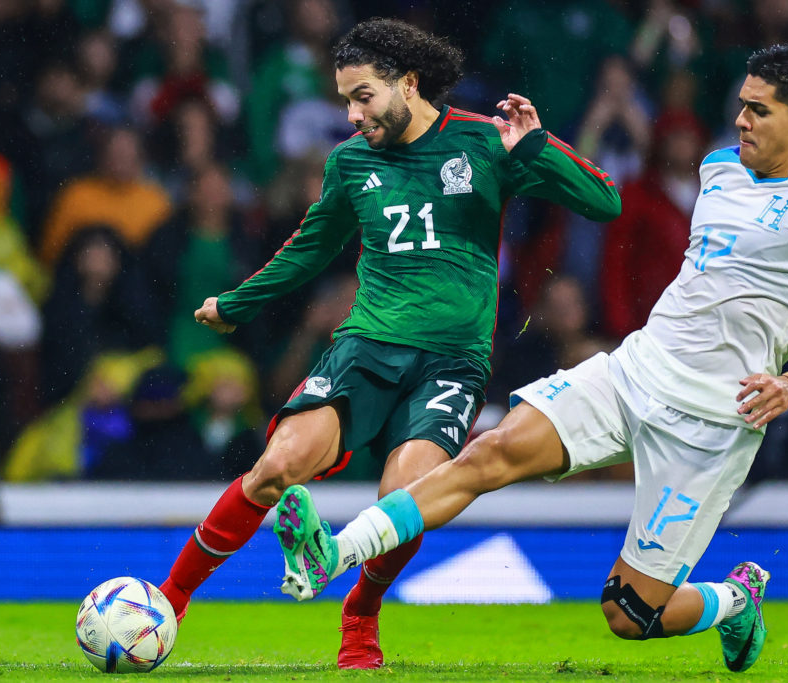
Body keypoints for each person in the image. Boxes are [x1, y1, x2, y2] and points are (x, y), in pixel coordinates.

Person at [279, 44, 788, 674]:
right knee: (490, 453)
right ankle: (334, 553)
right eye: (741, 106)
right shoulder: (717, 170)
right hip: (634, 371)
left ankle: (734, 600)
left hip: (713, 422)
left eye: (759, 111)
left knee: (629, 614)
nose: (741, 121)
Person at [156, 17, 621, 672]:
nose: (351, 114)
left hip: (453, 364)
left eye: (362, 96)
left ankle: (360, 613)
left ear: (406, 82)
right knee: (273, 468)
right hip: (366, 347)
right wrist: (236, 304)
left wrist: (536, 148)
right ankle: (169, 600)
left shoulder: (486, 143)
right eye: (345, 98)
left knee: (404, 504)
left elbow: (605, 201)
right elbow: (308, 248)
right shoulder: (351, 162)